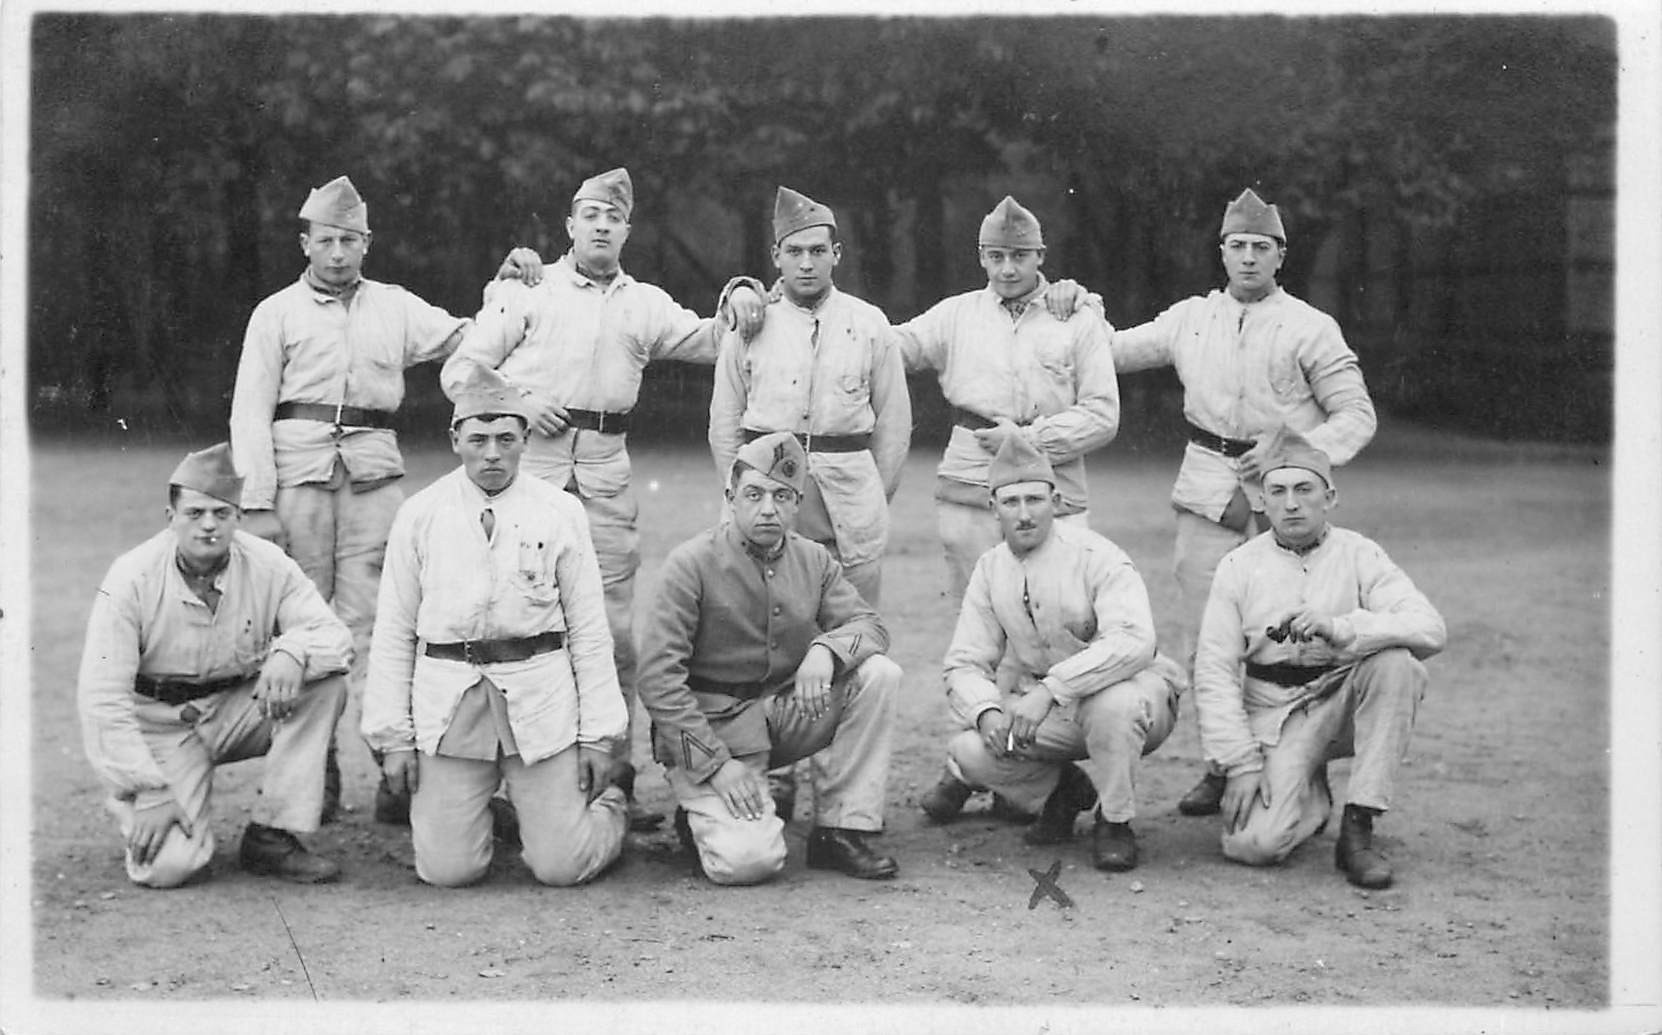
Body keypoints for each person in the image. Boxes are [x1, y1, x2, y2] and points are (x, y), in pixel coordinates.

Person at [440, 167, 766, 830]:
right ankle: (513, 777)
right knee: (514, 620)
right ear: (568, 225)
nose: (599, 226)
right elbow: (460, 369)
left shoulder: (642, 302)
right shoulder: (528, 290)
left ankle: (614, 771)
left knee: (614, 632)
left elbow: (712, 338)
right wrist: (517, 401)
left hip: (607, 479)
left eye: (612, 218)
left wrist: (741, 295)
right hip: (527, 475)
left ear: (626, 229)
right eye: (588, 214)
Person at [228, 174, 531, 825]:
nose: (338, 253)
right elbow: (249, 410)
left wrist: (506, 289)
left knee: (383, 622)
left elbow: (467, 338)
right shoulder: (275, 313)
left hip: (372, 480)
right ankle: (317, 768)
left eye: (351, 240)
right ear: (305, 242)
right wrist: (257, 499)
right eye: (326, 240)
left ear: (368, 243)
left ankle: (396, 769)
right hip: (297, 479)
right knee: (302, 623)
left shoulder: (394, 306)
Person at [1110, 188, 1378, 818]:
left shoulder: (1310, 326)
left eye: (1263, 247)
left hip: (1285, 498)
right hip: (1206, 487)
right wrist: (1071, 306)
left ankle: (1299, 759)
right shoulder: (1190, 318)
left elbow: (1357, 414)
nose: (1250, 258)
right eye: (1239, 246)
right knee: (1212, 635)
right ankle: (1221, 762)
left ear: (1281, 255)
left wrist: (1298, 450)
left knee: (1289, 633)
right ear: (1222, 252)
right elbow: (1115, 350)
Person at [360, 371, 629, 887]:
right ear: (454, 439)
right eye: (478, 440)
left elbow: (591, 630)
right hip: (451, 703)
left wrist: (598, 738)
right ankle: (499, 815)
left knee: (562, 867)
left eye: (507, 439)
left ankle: (609, 809)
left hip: (539, 698)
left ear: (526, 440)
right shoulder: (420, 514)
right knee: (448, 871)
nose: (492, 454)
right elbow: (393, 631)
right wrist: (393, 738)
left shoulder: (560, 511)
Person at [77, 443, 351, 888]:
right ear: (171, 518)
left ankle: (273, 834)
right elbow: (101, 697)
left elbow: (334, 636)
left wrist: (293, 651)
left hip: (234, 710)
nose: (209, 525)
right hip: (160, 726)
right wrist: (148, 786)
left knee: (324, 686)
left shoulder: (268, 563)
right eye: (195, 513)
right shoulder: (131, 577)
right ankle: (133, 798)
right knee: (169, 868)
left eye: (221, 514)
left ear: (238, 517)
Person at [636, 432, 903, 885]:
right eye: (754, 494)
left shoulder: (812, 559)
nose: (767, 509)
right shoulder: (692, 563)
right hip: (712, 729)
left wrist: (826, 650)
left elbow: (871, 626)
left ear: (797, 503)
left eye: (782, 496)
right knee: (748, 863)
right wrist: (717, 766)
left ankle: (840, 827)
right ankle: (699, 811)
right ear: (730, 497)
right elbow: (658, 679)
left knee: (878, 673)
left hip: (783, 714)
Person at [919, 435, 1186, 871]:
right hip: (1053, 709)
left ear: (1056, 500)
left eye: (1034, 500)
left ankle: (1115, 820)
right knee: (970, 749)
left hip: (1134, 697)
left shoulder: (1096, 555)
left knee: (1112, 706)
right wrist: (986, 712)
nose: (1024, 514)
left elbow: (1134, 642)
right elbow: (965, 662)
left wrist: (1052, 689)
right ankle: (1064, 789)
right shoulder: (990, 569)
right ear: (993, 507)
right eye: (1011, 502)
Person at [1192, 429, 1444, 888]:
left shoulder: (1359, 552)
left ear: (1329, 498)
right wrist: (1240, 762)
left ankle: (1358, 826)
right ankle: (1308, 791)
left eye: (1304, 490)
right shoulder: (1239, 566)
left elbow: (1429, 627)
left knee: (1397, 665)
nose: (1291, 504)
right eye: (1278, 492)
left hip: (1342, 696)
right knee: (1253, 845)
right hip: (1273, 710)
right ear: (1262, 502)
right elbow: (1214, 668)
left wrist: (1344, 628)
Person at [895, 195, 1119, 602]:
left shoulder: (1076, 318)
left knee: (1063, 607)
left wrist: (1029, 439)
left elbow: (1103, 415)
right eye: (996, 256)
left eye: (1020, 255)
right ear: (981, 257)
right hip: (971, 475)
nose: (1008, 268)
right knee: (978, 609)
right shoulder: (956, 314)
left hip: (1056, 478)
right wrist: (783, 304)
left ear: (1041, 256)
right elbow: (887, 346)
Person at [708, 185, 911, 606]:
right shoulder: (751, 323)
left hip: (848, 492)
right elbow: (724, 423)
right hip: (767, 487)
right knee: (763, 615)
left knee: (850, 618)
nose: (806, 263)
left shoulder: (870, 324)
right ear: (775, 256)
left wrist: (870, 493)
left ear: (836, 253)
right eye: (795, 251)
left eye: (818, 251)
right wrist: (744, 491)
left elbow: (893, 426)